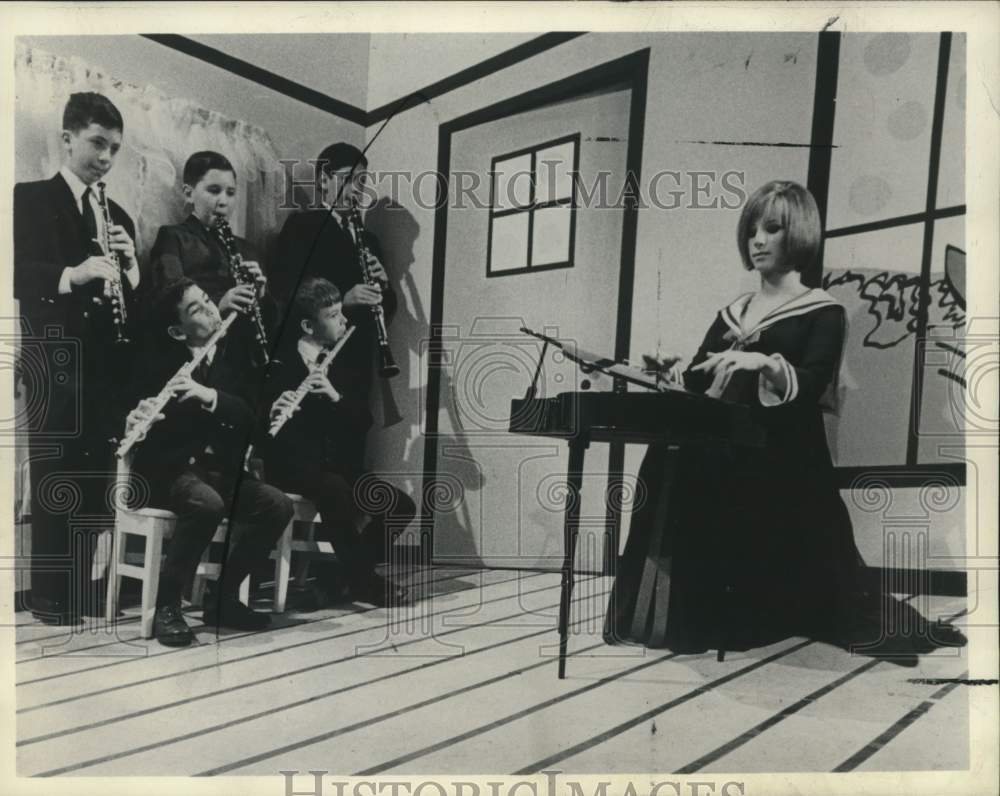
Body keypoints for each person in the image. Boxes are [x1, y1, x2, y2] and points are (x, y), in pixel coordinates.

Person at [604, 180, 966, 662]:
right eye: (752, 229)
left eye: (771, 228)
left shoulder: (823, 310)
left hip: (783, 450)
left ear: (796, 235)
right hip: (727, 441)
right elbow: (699, 375)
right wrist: (670, 368)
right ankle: (680, 611)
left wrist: (767, 363)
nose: (757, 240)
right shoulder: (732, 313)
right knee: (669, 460)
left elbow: (813, 383)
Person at [14, 91, 141, 624]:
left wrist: (130, 267)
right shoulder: (30, 198)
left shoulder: (122, 217)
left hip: (105, 368)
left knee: (92, 480)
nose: (105, 157)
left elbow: (134, 304)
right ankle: (47, 593)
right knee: (53, 476)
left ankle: (83, 586)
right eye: (96, 143)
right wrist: (74, 275)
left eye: (113, 148)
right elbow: (16, 273)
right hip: (56, 359)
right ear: (67, 139)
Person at [124, 278, 293, 646]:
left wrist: (209, 395)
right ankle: (167, 606)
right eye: (197, 309)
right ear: (176, 329)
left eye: (207, 300)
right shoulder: (158, 363)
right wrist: (137, 417)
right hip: (170, 472)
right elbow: (133, 414)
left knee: (276, 505)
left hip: (221, 473)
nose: (212, 309)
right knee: (206, 503)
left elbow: (252, 419)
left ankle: (223, 598)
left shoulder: (235, 356)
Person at [259, 278, 413, 606]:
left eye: (341, 312)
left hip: (337, 469)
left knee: (401, 506)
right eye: (332, 315)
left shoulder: (343, 361)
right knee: (333, 489)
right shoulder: (280, 362)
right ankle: (365, 583)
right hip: (292, 467)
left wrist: (334, 396)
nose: (343, 320)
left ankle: (343, 577)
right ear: (307, 325)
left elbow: (362, 423)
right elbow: (262, 425)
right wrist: (278, 408)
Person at [271, 142, 397, 403]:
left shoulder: (369, 241)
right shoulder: (301, 226)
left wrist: (384, 288)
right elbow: (285, 291)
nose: (357, 190)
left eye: (362, 183)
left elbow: (387, 313)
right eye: (348, 180)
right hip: (313, 356)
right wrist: (344, 301)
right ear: (324, 180)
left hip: (355, 365)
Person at [148, 150, 276, 371]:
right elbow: (168, 299)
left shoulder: (248, 250)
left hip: (245, 360)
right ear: (189, 194)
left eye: (231, 193)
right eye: (214, 191)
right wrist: (219, 304)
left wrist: (262, 297)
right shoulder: (174, 237)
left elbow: (273, 322)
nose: (223, 202)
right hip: (199, 362)